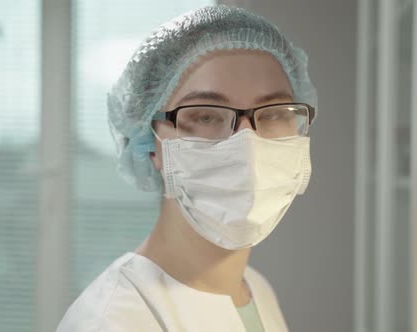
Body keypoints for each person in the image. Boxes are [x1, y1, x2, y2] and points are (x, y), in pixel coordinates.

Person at [56, 5, 317, 332]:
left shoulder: (255, 290)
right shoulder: (111, 320)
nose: (248, 145)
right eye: (206, 116)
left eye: (274, 112)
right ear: (150, 144)